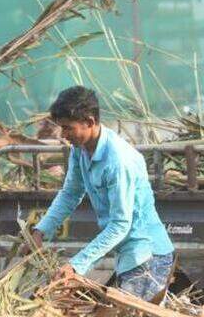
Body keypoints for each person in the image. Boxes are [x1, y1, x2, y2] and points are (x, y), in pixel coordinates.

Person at [31, 86, 175, 303]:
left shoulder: (118, 161)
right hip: (129, 255)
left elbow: (120, 224)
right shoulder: (80, 150)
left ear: (89, 121)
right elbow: (70, 193)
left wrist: (76, 265)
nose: (64, 136)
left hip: (147, 257)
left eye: (68, 128)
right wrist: (41, 230)